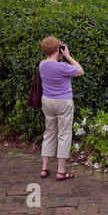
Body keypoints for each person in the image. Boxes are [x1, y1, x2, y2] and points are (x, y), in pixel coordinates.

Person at [39, 36, 84, 181]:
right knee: (64, 134)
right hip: (63, 101)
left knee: (49, 132)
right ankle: (61, 171)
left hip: (47, 101)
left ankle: (44, 168)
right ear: (57, 49)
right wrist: (68, 55)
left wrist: (59, 54)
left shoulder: (42, 65)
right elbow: (80, 71)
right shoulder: (62, 66)